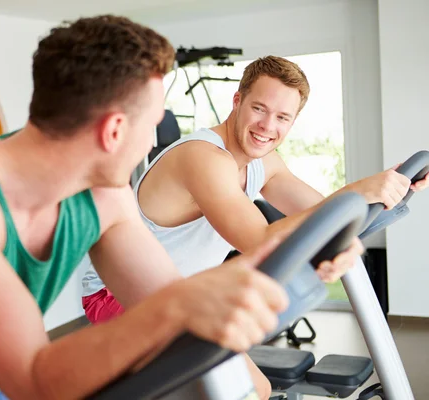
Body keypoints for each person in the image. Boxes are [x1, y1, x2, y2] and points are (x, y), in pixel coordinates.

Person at [0, 15, 323, 400]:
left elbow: (165, 301)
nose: (155, 140)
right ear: (113, 132)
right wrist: (185, 303)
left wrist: (306, 251)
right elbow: (36, 380)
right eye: (152, 124)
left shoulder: (104, 196)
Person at [81, 55, 429, 399]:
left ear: (292, 123)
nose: (267, 126)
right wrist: (359, 191)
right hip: (122, 296)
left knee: (254, 390)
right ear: (237, 101)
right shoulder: (203, 157)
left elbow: (320, 211)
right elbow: (260, 240)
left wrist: (389, 190)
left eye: (282, 117)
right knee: (242, 391)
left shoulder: (263, 161)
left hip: (184, 293)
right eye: (259, 109)